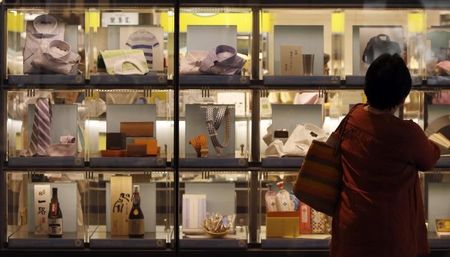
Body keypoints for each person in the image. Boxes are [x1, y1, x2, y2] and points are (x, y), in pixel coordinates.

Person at [330, 53, 441, 257]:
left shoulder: (352, 118)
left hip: (351, 230)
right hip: (392, 234)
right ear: (401, 96)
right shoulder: (407, 133)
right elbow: (429, 158)